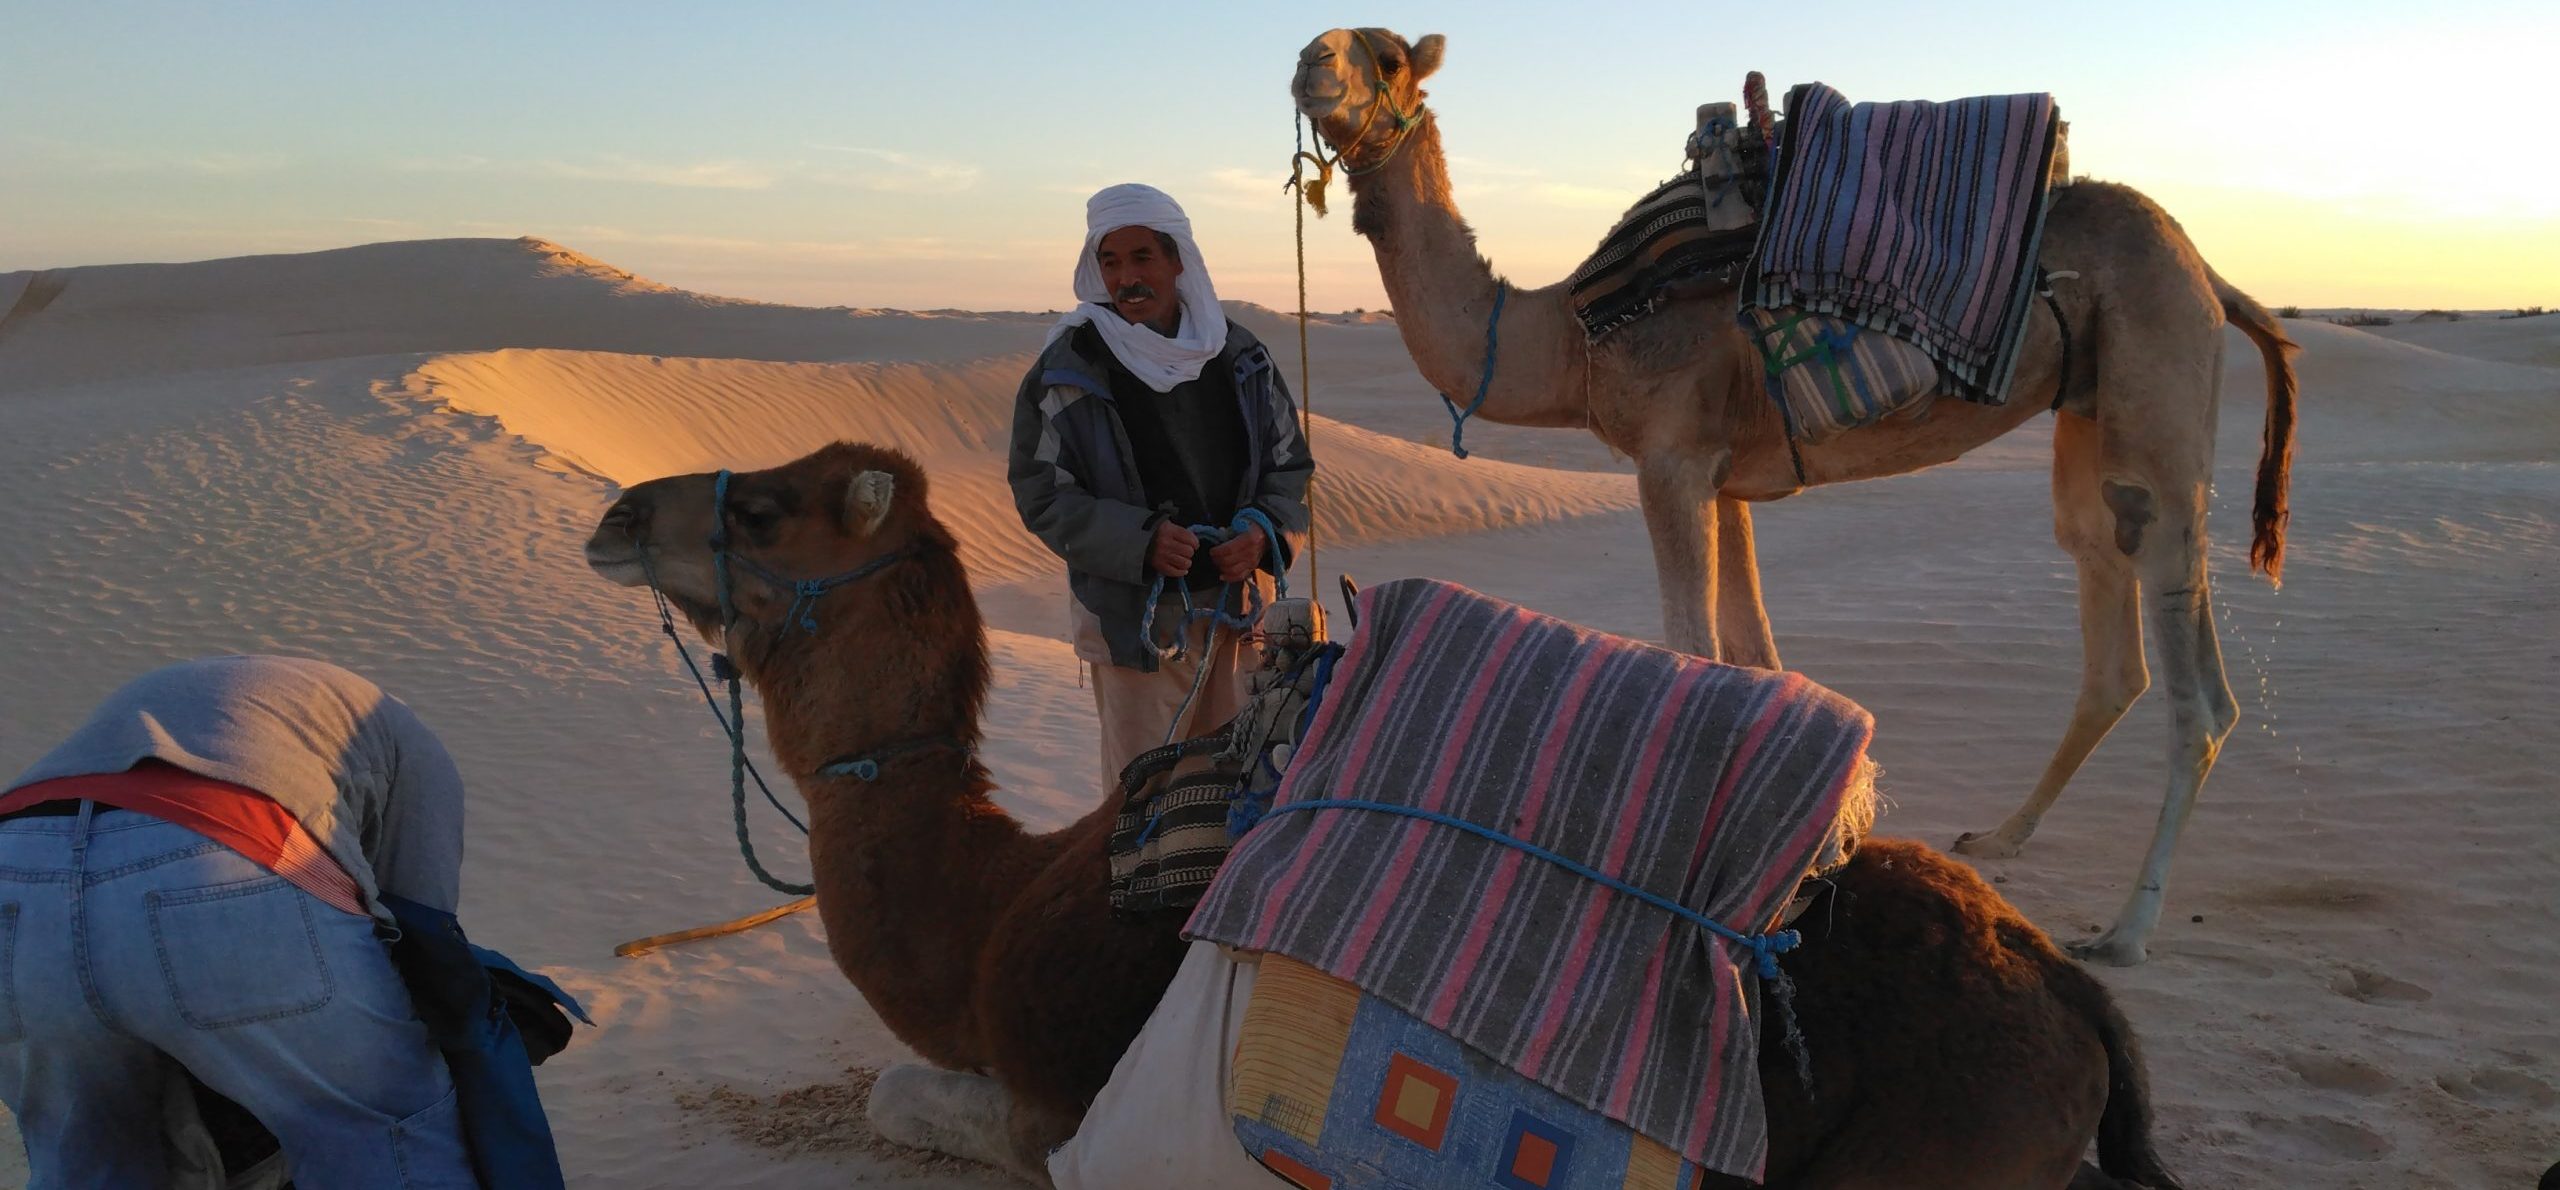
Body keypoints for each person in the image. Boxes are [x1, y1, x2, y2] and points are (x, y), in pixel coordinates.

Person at [0, 655, 558, 1189]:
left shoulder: (145, 706)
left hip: (14, 871)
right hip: (214, 862)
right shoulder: (403, 735)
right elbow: (424, 929)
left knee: (84, 1157)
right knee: (380, 1134)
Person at [1008, 184, 1314, 793]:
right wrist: (1139, 542)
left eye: (1142, 258)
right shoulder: (1071, 366)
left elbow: (1289, 469)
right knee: (1145, 804)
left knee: (1241, 791)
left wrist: (1264, 535)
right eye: (1111, 261)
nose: (1127, 278)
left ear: (1179, 261)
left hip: (1238, 616)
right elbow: (1042, 491)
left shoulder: (1240, 356)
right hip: (1136, 628)